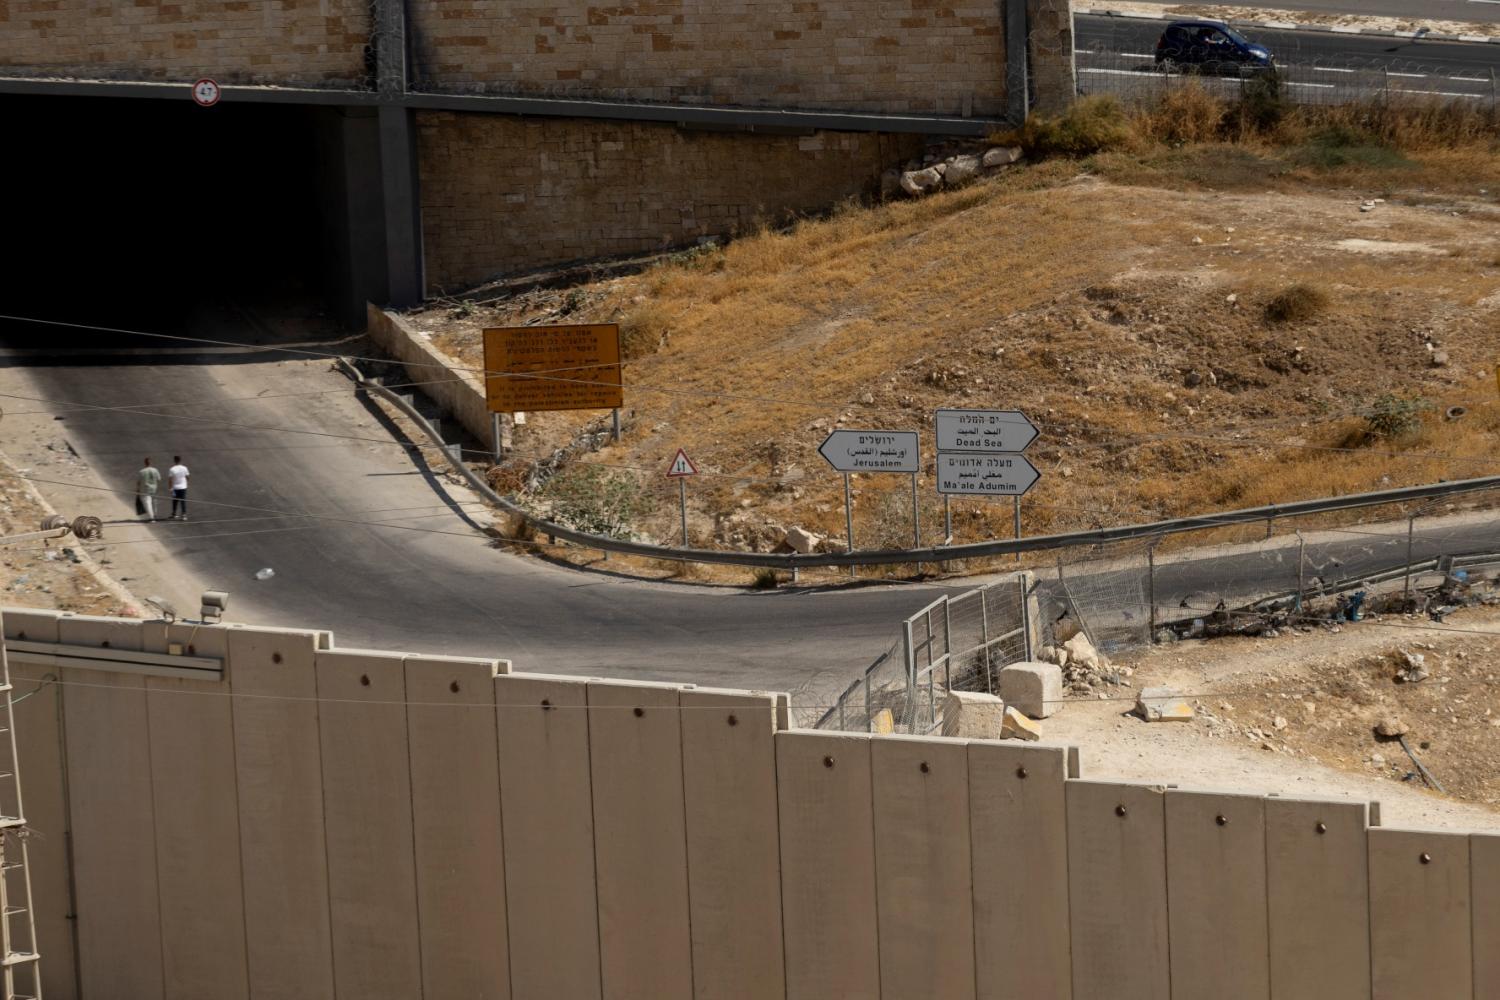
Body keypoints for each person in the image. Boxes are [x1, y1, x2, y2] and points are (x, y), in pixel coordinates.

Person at [167, 455, 190, 521]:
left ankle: (174, 514)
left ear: (174, 460)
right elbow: (187, 477)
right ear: (180, 460)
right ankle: (184, 515)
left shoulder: (172, 469)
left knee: (174, 501)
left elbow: (170, 479)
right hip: (183, 487)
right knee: (183, 501)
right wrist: (186, 483)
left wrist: (170, 488)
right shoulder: (185, 468)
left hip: (175, 488)